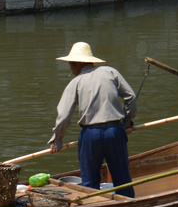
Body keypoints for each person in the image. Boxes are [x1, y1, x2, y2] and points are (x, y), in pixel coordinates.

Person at [48, 42, 138, 197]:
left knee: (89, 183)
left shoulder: (75, 82)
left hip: (91, 135)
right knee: (123, 179)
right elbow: (131, 98)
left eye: (70, 64)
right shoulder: (110, 72)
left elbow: (63, 116)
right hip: (115, 132)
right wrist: (126, 123)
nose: (70, 68)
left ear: (76, 64)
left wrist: (57, 139)